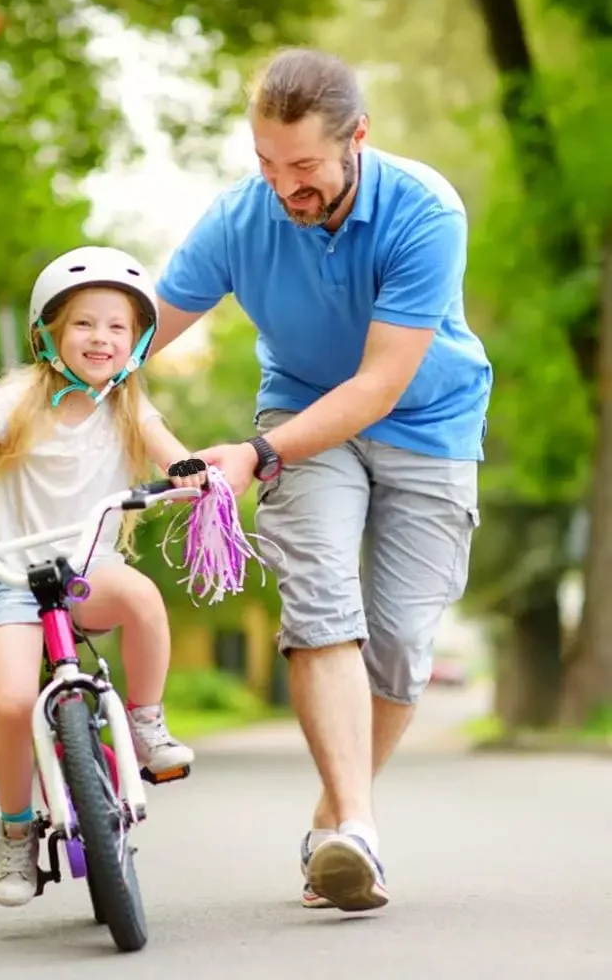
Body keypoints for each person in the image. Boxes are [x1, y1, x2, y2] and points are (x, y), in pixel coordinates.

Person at [150, 47, 492, 912]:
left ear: (358, 141)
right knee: (321, 606)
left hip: (427, 422)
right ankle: (356, 835)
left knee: (404, 641)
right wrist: (62, 365)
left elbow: (381, 384)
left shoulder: (424, 210)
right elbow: (141, 328)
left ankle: (337, 819)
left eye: (303, 166)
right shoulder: (240, 218)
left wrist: (254, 459)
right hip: (303, 420)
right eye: (266, 163)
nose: (283, 187)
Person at [0, 245, 200, 909]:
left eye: (118, 326)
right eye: (84, 323)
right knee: (11, 703)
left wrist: (192, 475)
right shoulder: (20, 397)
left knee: (140, 595)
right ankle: (16, 830)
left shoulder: (130, 405)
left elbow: (175, 457)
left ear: (136, 343)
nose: (102, 337)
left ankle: (144, 722)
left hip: (88, 572)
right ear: (47, 334)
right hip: (11, 575)